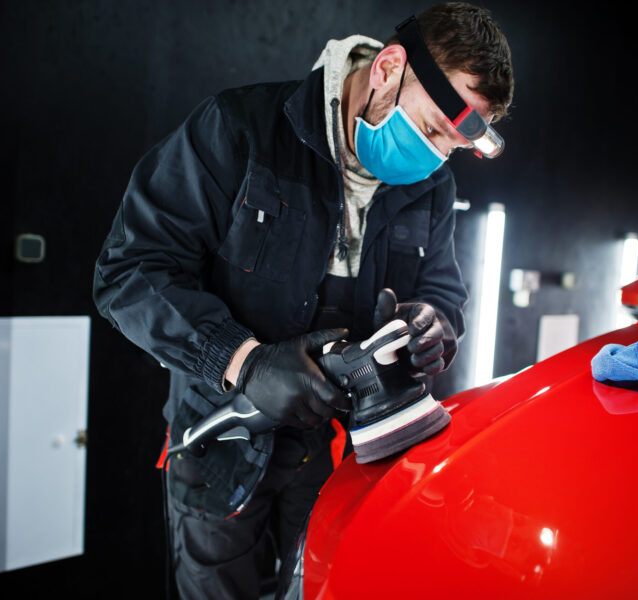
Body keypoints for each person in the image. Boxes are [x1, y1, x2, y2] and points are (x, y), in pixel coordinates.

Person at [92, 3, 513, 598]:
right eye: (428, 132)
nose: (434, 159)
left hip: (341, 461)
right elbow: (129, 273)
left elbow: (441, 289)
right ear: (388, 68)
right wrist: (244, 362)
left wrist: (435, 323)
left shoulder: (432, 183)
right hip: (224, 448)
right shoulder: (239, 129)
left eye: (451, 147)